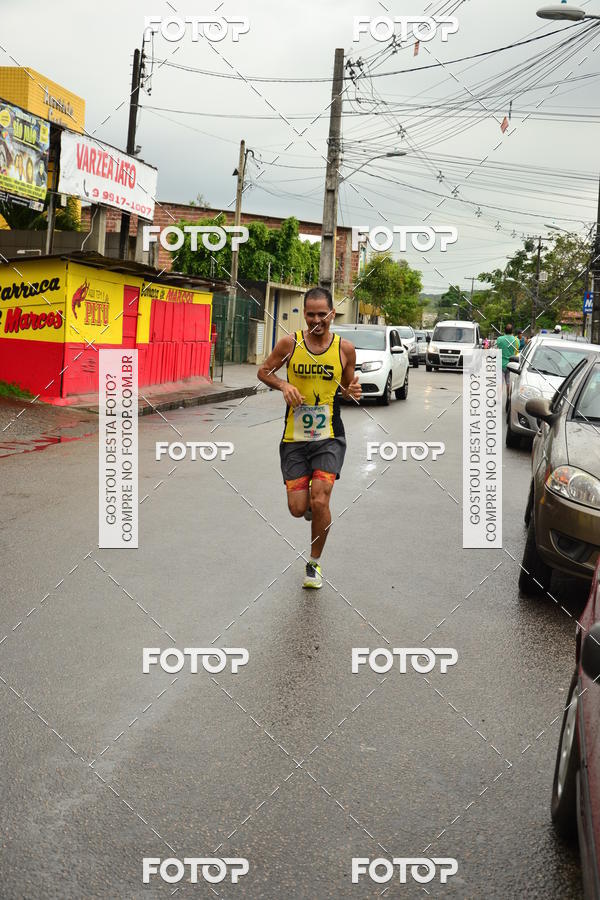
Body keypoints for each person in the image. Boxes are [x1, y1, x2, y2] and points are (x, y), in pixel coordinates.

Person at [257, 287, 361, 589]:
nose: (317, 320)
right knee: (298, 507)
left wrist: (350, 392)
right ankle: (312, 511)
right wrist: (282, 385)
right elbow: (264, 371)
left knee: (321, 498)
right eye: (311, 314)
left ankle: (314, 563)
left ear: (332, 314)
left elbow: (344, 388)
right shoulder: (290, 344)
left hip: (329, 435)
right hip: (294, 436)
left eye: (322, 314)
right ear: (304, 314)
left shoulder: (345, 349)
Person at [496, 323, 520, 394]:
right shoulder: (516, 340)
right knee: (508, 381)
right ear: (512, 331)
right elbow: (517, 349)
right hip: (511, 365)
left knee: (500, 382)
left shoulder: (500, 339)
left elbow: (498, 346)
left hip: (501, 363)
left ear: (505, 331)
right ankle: (508, 396)